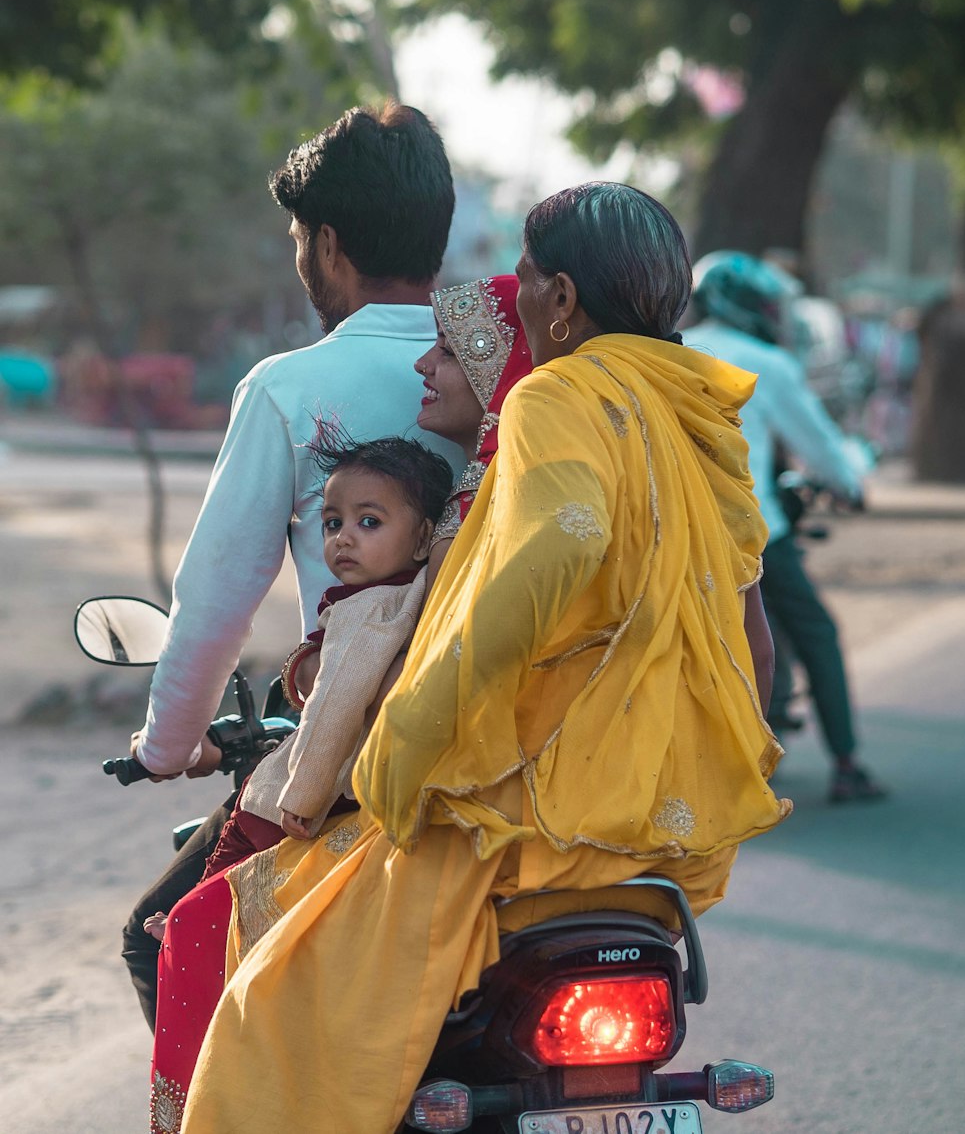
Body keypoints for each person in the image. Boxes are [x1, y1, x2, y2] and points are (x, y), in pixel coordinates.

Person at [180, 185, 792, 1134]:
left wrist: (411, 735)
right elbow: (752, 632)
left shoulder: (558, 393)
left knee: (272, 985)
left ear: (561, 299)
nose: (525, 296)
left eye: (531, 278)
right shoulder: (699, 414)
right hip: (670, 843)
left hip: (530, 825)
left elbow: (555, 555)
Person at [121, 101, 463, 1033]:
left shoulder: (287, 387)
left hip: (354, 752)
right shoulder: (511, 367)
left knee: (158, 940)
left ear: (330, 244)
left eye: (300, 240)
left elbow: (216, 599)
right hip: (508, 749)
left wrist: (167, 744)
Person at [685, 250, 887, 803]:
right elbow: (820, 445)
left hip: (677, 530)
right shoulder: (765, 363)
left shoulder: (672, 353)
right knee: (816, 633)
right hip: (753, 533)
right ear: (749, 306)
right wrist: (849, 484)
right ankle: (846, 763)